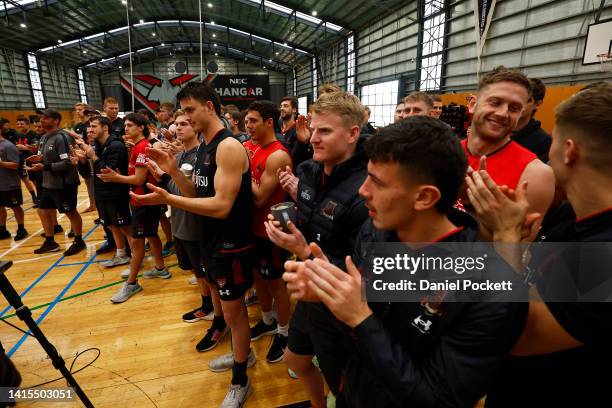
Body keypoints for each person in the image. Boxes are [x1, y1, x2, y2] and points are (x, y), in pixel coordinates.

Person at [284, 117, 528, 407]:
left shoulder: (492, 291)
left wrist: (360, 317)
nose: (363, 191)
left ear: (424, 197)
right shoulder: (376, 231)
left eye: (376, 182)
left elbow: (436, 399)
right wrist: (329, 294)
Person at [467, 85, 612, 408]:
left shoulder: (604, 253)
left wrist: (506, 235)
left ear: (569, 150)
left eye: (555, 139)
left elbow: (515, 334)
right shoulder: (570, 217)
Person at [131, 81, 255, 408]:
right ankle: (243, 354)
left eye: (189, 111)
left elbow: (222, 205)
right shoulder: (202, 147)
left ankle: (241, 378)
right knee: (230, 316)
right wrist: (172, 170)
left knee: (235, 314)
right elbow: (195, 195)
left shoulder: (228, 147)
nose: (182, 118)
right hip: (210, 241)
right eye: (182, 111)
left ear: (209, 107)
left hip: (231, 246)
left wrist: (167, 197)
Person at [266, 91, 369, 407]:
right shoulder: (308, 170)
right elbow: (313, 215)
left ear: (353, 133)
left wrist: (302, 249)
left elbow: (364, 275)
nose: (314, 137)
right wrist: (292, 227)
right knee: (295, 362)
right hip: (311, 292)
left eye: (325, 131)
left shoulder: (367, 189)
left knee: (344, 389)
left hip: (341, 306)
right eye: (313, 128)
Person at [463, 66, 555, 239]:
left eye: (514, 108)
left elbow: (517, 254)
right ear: (473, 104)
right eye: (495, 102)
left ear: (521, 113)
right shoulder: (446, 153)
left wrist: (476, 211)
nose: (503, 113)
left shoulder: (536, 174)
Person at [98, 113, 171, 303]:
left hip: (143, 200)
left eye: (130, 125)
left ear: (141, 127)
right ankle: (161, 268)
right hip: (143, 200)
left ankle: (132, 283)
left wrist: (116, 178)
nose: (126, 128)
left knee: (137, 243)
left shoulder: (142, 148)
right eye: (126, 125)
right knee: (152, 234)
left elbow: (139, 179)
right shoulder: (138, 146)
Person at [241, 101, 293, 363]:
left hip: (271, 232)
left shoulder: (278, 155)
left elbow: (261, 198)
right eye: (246, 121)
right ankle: (267, 320)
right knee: (257, 278)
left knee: (276, 284)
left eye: (252, 121)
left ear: (269, 122)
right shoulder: (248, 147)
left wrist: (241, 170)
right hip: (251, 228)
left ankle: (284, 332)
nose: (247, 126)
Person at [75, 116, 131, 268]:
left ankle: (136, 256)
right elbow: (92, 171)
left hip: (116, 193)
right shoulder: (97, 145)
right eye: (89, 126)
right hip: (102, 192)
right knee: (112, 225)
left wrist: (92, 156)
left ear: (105, 128)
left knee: (125, 226)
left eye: (94, 126)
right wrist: (83, 159)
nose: (90, 129)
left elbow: (109, 171)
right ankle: (121, 255)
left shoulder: (115, 145)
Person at [30, 109, 85, 256]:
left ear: (56, 121)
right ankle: (50, 242)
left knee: (70, 212)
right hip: (49, 183)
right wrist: (38, 159)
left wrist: (45, 166)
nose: (42, 120)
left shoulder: (62, 138)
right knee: (43, 210)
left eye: (46, 118)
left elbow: (67, 163)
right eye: (41, 117)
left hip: (64, 183)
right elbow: (44, 156)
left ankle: (79, 241)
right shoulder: (43, 138)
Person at [511, 77, 552, 162]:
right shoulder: (497, 130)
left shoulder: (544, 142)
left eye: (528, 100)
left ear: (537, 104)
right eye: (516, 98)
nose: (518, 103)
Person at [0, 127, 28, 241]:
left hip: (10, 184)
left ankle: (21, 229)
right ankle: (2, 230)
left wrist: (1, 164)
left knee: (15, 207)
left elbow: (15, 165)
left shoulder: (8, 146)